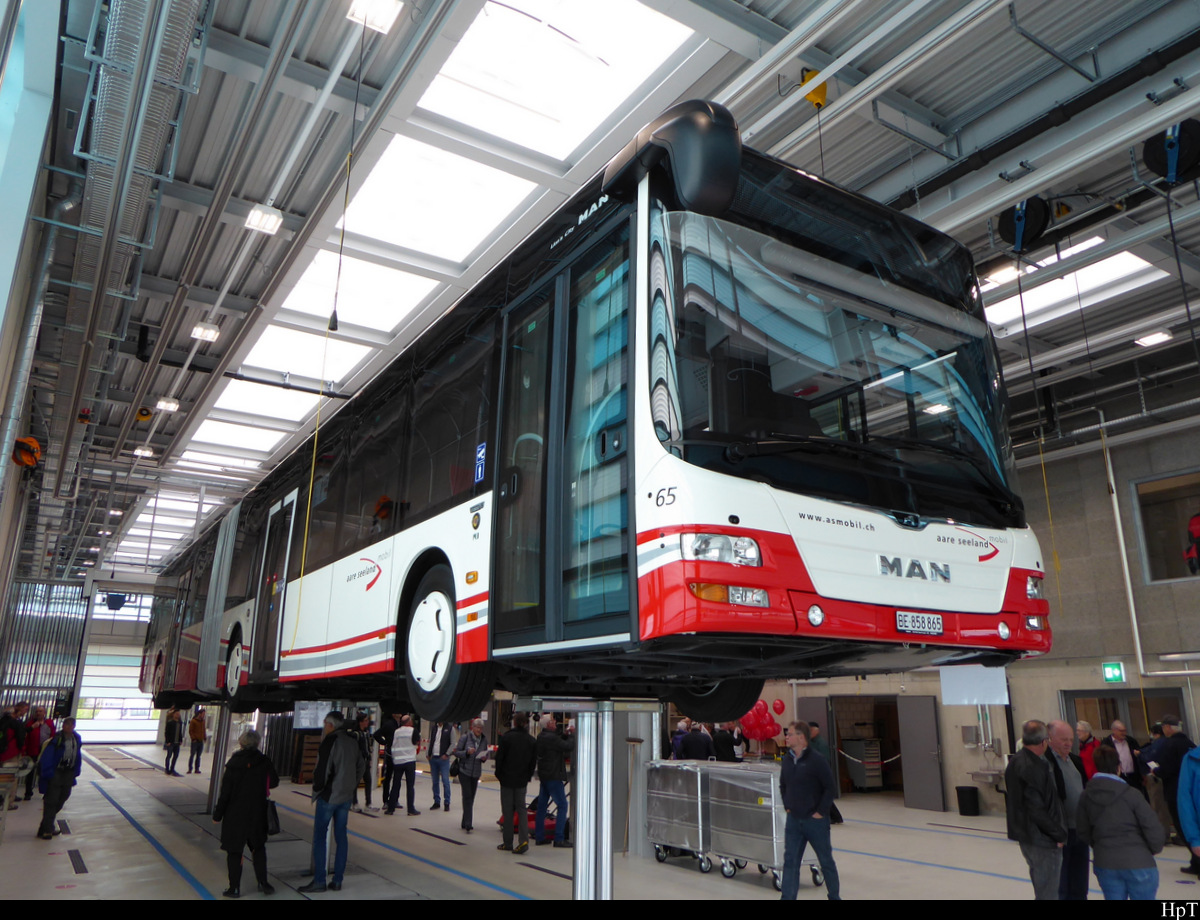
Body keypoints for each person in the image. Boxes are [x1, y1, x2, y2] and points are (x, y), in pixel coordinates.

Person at [1077, 743, 1164, 899]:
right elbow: (1152, 827)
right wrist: (1153, 848)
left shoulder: (1086, 796)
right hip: (1138, 861)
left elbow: (1083, 830)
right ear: (1119, 766)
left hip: (1105, 862)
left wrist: (1101, 845)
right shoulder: (1132, 794)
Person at [299, 711, 364, 893]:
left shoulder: (330, 742)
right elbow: (361, 766)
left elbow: (322, 770)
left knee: (320, 837)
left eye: (324, 723)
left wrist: (319, 789)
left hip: (329, 796)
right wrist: (351, 785)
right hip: (345, 796)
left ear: (330, 725)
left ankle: (319, 880)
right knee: (341, 836)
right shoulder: (352, 741)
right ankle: (337, 880)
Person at [212, 729, 279, 898]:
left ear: (241, 743)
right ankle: (263, 883)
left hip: (235, 814)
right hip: (257, 812)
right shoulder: (264, 761)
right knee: (258, 847)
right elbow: (274, 782)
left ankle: (234, 888)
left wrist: (217, 815)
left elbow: (225, 793)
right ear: (257, 743)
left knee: (235, 851)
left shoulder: (234, 763)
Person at [1004, 719, 1067, 899]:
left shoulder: (1016, 761)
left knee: (1041, 884)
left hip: (1027, 836)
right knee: (1048, 891)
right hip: (1041, 838)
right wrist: (1058, 833)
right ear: (1043, 742)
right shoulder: (1034, 767)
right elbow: (1036, 808)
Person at [778, 721, 840, 900]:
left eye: (789, 734)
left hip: (815, 822)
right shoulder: (787, 760)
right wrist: (787, 805)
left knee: (826, 861)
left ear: (801, 737)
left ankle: (834, 896)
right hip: (794, 821)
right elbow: (783, 785)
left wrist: (820, 811)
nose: (786, 737)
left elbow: (830, 788)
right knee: (790, 862)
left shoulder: (817, 760)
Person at [1045, 720, 1089, 899]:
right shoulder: (1044, 763)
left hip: (1079, 830)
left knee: (1079, 882)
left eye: (1071, 739)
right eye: (1063, 739)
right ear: (1049, 739)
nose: (1068, 743)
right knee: (1061, 883)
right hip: (1059, 832)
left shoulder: (1076, 761)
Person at [1159, 714, 1199, 875]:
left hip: (1175, 791)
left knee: (1184, 825)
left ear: (1168, 727)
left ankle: (1197, 861)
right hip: (1183, 792)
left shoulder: (1170, 746)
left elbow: (1166, 769)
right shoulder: (1189, 746)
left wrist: (1156, 771)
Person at [495, 713, 537, 854]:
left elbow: (499, 759)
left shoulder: (507, 738)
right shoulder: (531, 740)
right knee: (522, 810)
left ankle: (508, 843)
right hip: (521, 781)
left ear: (514, 722)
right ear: (525, 723)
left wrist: (499, 775)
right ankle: (523, 841)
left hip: (507, 780)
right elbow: (533, 762)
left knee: (507, 811)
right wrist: (527, 776)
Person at [37, 717, 80, 840]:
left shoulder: (76, 739)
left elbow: (77, 754)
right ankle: (47, 830)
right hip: (56, 772)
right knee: (52, 800)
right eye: (67, 725)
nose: (69, 727)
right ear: (63, 725)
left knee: (63, 797)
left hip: (68, 773)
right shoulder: (56, 740)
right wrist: (48, 773)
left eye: (71, 725)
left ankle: (45, 825)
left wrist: (76, 771)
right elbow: (47, 757)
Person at [535, 714, 574, 848]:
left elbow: (557, 743)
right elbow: (568, 746)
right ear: (548, 725)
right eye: (552, 721)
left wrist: (564, 734)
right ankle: (559, 838)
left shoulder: (541, 737)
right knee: (562, 805)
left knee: (542, 807)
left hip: (544, 775)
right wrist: (572, 735)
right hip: (554, 775)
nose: (555, 722)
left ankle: (539, 836)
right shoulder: (551, 738)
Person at [453, 718, 489, 833]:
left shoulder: (483, 740)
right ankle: (468, 823)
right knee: (467, 796)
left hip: (476, 772)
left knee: (471, 798)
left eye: (481, 728)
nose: (479, 730)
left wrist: (484, 757)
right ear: (472, 728)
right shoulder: (465, 737)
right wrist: (467, 753)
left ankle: (464, 821)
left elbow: (486, 753)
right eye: (477, 727)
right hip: (465, 771)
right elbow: (457, 752)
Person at [386, 714, 420, 816]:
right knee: (410, 786)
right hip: (409, 761)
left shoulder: (397, 731)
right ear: (409, 722)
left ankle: (390, 809)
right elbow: (416, 743)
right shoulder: (413, 731)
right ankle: (411, 809)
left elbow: (393, 745)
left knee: (395, 785)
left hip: (398, 762)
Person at [1100, 720, 1142, 790]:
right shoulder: (1106, 743)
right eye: (1121, 731)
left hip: (1133, 778)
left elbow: (1139, 758)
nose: (1124, 733)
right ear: (1114, 730)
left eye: (1125, 731)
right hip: (1117, 778)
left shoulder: (1131, 741)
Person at [23, 706, 54, 800]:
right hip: (32, 751)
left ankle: (45, 792)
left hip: (45, 752)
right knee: (30, 773)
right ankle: (28, 792)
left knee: (44, 772)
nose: (38, 713)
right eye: (37, 711)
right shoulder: (30, 723)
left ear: (44, 712)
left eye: (40, 711)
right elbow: (26, 738)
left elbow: (52, 736)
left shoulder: (49, 723)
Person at [371, 709, 401, 805]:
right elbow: (376, 735)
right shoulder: (389, 725)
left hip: (399, 754)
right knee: (388, 777)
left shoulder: (401, 725)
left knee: (397, 778)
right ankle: (386, 800)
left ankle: (395, 799)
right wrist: (386, 743)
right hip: (390, 754)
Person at [351, 710, 376, 813]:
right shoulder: (356, 734)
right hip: (358, 762)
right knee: (355, 782)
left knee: (368, 781)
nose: (367, 723)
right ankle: (354, 803)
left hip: (365, 761)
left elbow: (367, 747)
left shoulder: (366, 733)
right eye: (365, 721)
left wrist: (369, 757)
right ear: (360, 722)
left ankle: (368, 803)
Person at [427, 721, 454, 812]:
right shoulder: (434, 728)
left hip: (443, 759)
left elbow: (453, 743)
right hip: (433, 758)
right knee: (435, 781)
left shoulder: (450, 728)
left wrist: (447, 754)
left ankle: (447, 802)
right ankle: (436, 801)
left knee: (445, 781)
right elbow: (431, 741)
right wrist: (428, 753)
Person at [163, 708, 183, 776]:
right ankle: (167, 769)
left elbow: (180, 732)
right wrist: (167, 741)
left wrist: (180, 740)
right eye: (176, 714)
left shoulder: (179, 723)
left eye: (178, 714)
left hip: (177, 742)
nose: (178, 715)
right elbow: (166, 732)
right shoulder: (170, 722)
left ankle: (172, 769)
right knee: (169, 755)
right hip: (171, 742)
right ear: (173, 714)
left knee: (175, 756)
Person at [187, 708, 206, 774]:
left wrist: (204, 737)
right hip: (195, 741)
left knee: (198, 756)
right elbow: (191, 731)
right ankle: (190, 768)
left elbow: (203, 730)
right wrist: (193, 738)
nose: (204, 715)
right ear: (199, 714)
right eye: (203, 714)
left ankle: (197, 768)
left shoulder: (203, 721)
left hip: (201, 741)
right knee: (192, 755)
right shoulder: (193, 721)